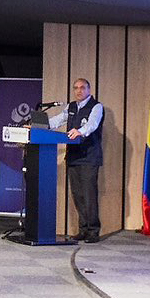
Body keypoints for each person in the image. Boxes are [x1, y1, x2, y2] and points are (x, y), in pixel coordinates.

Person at [49, 76, 106, 242]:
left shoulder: (96, 107)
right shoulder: (71, 107)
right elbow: (58, 120)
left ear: (89, 90)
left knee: (89, 194)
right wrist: (39, 125)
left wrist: (81, 131)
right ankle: (83, 229)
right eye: (76, 88)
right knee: (77, 194)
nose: (79, 91)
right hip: (73, 156)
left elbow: (92, 124)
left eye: (82, 88)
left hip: (89, 157)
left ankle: (93, 231)